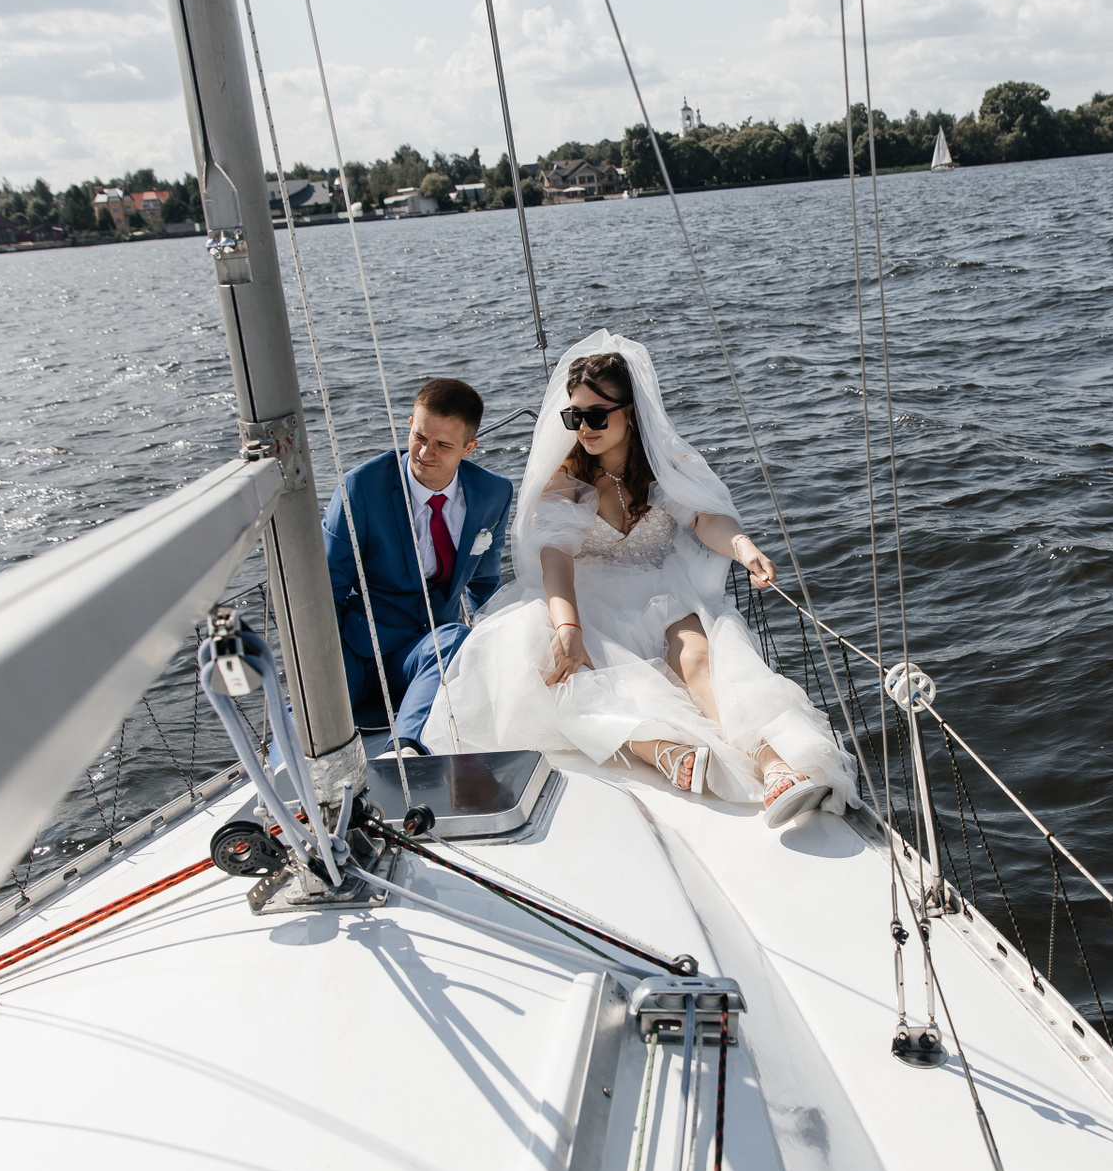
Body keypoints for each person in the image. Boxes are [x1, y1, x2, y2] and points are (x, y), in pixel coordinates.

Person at [425, 330, 854, 827]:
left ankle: (773, 764)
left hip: (661, 590)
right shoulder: (565, 480)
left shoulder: (666, 466)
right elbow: (555, 558)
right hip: (583, 597)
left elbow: (703, 517)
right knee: (559, 671)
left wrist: (742, 546)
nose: (583, 428)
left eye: (596, 415)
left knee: (698, 660)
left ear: (630, 412)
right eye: (574, 417)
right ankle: (660, 749)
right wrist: (568, 625)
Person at [323, 378, 512, 753]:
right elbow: (327, 588)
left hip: (428, 651)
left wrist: (494, 655)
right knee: (312, 708)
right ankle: (283, 768)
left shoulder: (493, 493)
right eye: (419, 437)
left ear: (469, 448)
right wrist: (325, 663)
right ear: (410, 423)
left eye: (443, 445)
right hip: (359, 651)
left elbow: (485, 582)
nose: (425, 452)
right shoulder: (360, 488)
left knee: (457, 639)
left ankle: (405, 750)